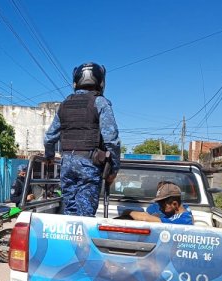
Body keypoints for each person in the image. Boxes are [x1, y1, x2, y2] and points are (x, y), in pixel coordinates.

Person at [43, 61, 120, 217]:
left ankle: (70, 241)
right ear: (101, 81)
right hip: (89, 165)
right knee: (85, 217)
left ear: (76, 82)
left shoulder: (64, 104)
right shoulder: (101, 102)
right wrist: (113, 169)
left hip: (67, 165)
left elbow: (49, 138)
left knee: (70, 213)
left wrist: (49, 156)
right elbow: (111, 140)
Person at [127, 181, 194, 225]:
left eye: (162, 204)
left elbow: (145, 218)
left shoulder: (183, 220)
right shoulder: (174, 215)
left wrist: (128, 212)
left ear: (174, 204)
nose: (160, 208)